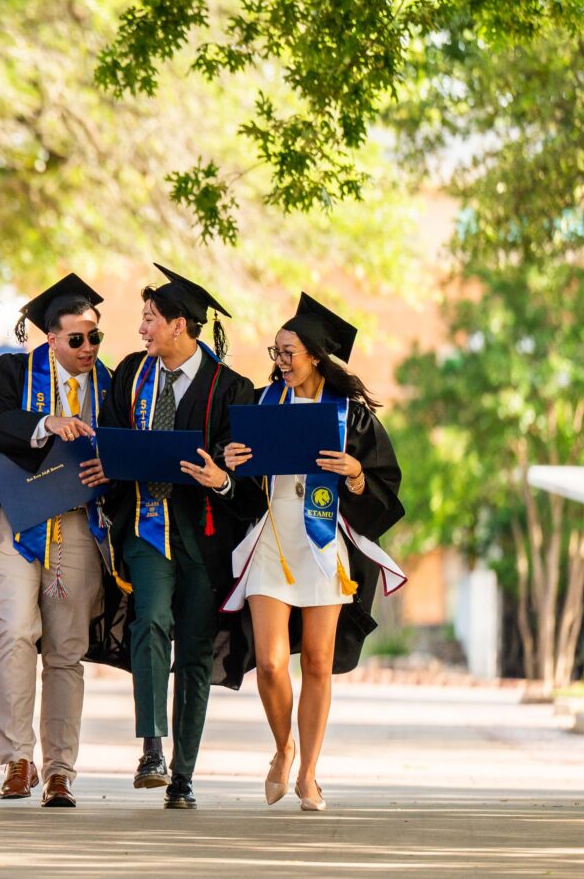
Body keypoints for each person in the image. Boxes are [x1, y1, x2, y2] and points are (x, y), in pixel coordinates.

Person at [221, 293, 407, 812]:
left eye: (289, 353)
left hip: (322, 543)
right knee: (271, 663)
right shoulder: (260, 405)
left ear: (315, 358)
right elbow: (235, 476)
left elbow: (384, 485)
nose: (279, 361)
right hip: (272, 538)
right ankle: (283, 748)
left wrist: (355, 476)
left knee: (320, 664)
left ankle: (308, 774)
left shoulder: (351, 415)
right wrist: (230, 459)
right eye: (275, 351)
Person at [97, 264, 267, 809]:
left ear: (180, 326)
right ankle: (151, 746)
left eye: (150, 319)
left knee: (194, 649)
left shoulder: (231, 388)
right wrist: (108, 464)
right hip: (147, 525)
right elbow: (110, 437)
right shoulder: (130, 375)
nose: (142, 329)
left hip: (204, 536)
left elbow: (249, 480)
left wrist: (222, 479)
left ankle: (184, 776)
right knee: (151, 618)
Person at [0, 274, 129, 808]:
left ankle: (60, 769)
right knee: (14, 632)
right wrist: (45, 424)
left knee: (65, 652)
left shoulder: (114, 388)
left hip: (80, 529)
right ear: (50, 339)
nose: (89, 348)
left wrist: (111, 466)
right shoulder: (11, 373)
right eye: (77, 339)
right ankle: (17, 759)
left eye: (95, 338)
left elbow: (131, 450)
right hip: (16, 524)